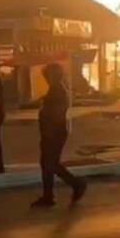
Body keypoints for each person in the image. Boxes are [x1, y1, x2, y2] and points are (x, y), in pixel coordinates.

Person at [32, 63, 87, 208]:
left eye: (48, 75)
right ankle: (48, 195)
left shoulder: (57, 91)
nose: (46, 78)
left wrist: (49, 133)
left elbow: (56, 114)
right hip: (51, 132)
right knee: (47, 164)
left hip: (54, 133)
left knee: (50, 164)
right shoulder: (55, 90)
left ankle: (76, 184)